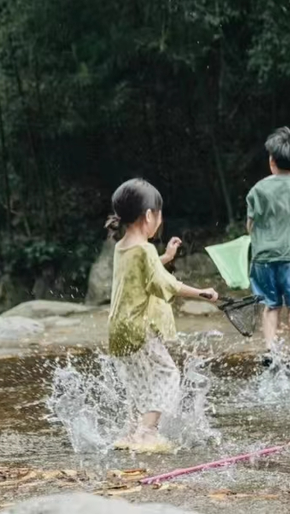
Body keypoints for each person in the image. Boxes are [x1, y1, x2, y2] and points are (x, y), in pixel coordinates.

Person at [105, 178, 218, 451]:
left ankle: (131, 432)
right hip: (138, 328)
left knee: (139, 381)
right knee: (167, 375)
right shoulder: (143, 249)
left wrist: (166, 257)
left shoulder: (122, 247)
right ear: (148, 216)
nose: (160, 219)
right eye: (159, 214)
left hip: (118, 328)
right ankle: (146, 433)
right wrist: (202, 292)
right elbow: (164, 284)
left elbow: (143, 271)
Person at [246, 127, 290, 368]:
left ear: (271, 161)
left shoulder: (258, 189)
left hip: (262, 258)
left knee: (270, 305)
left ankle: (269, 350)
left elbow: (250, 225)